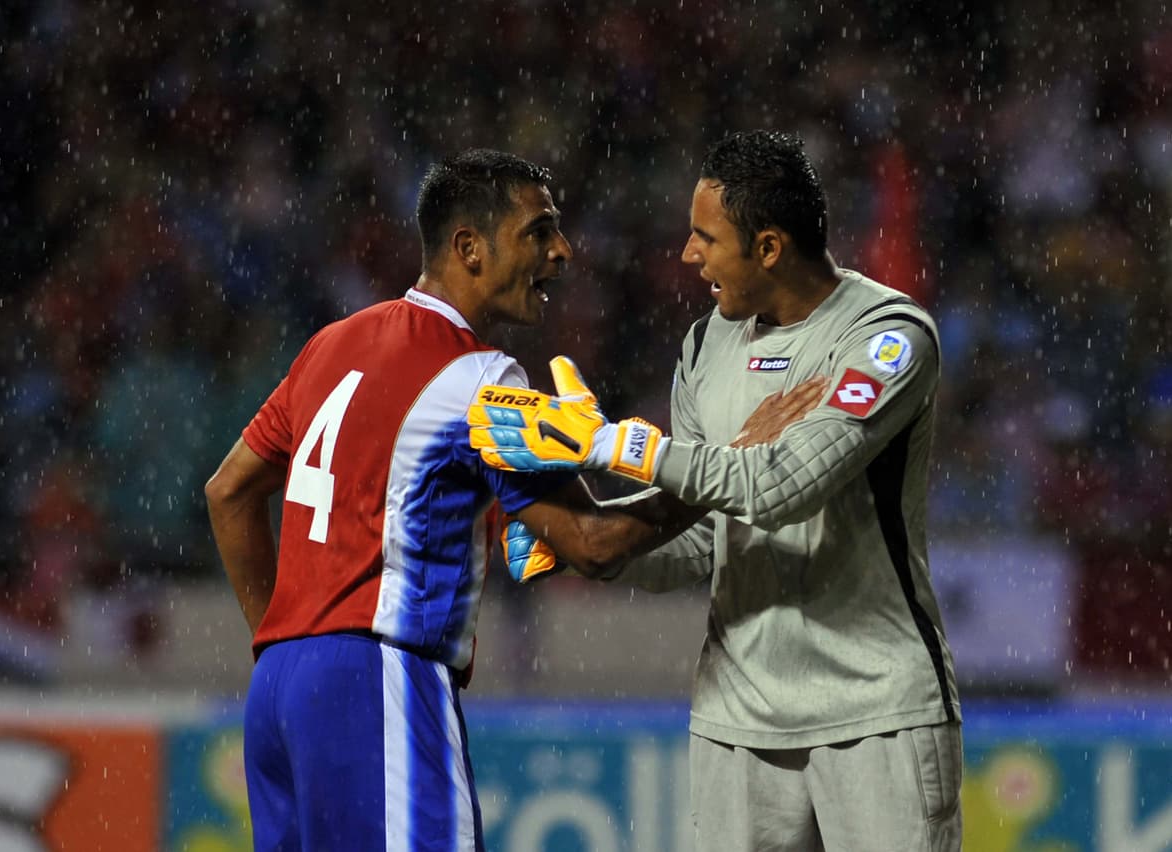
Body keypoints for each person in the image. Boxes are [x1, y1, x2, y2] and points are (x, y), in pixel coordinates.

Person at [204, 146, 827, 851]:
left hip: (280, 695)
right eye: (540, 231)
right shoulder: (478, 375)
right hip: (376, 677)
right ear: (469, 247)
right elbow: (591, 545)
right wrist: (730, 465)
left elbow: (228, 492)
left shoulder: (332, 343)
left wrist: (285, 640)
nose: (561, 251)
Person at [469, 130, 963, 851]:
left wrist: (613, 444)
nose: (687, 255)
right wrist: (588, 545)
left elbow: (783, 487)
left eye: (705, 237)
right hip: (738, 718)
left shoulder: (885, 337)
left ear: (767, 247)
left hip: (876, 710)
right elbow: (707, 536)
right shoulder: (706, 343)